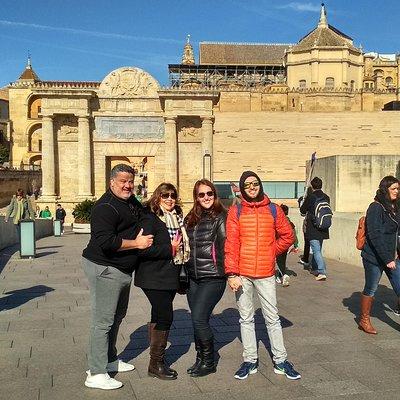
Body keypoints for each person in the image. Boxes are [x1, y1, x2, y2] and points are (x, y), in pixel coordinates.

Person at [81, 164, 154, 390]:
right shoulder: (105, 207)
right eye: (122, 181)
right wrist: (137, 243)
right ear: (112, 182)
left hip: (122, 270)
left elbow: (144, 215)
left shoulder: (129, 201)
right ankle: (96, 372)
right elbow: (106, 242)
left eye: (130, 181)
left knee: (117, 316)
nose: (127, 185)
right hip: (105, 268)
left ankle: (109, 359)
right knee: (102, 321)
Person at [225, 171, 301, 381]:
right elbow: (231, 244)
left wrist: (271, 251)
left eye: (255, 183)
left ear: (260, 185)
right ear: (242, 188)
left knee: (272, 318)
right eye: (247, 184)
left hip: (266, 273)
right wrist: (232, 273)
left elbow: (288, 236)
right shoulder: (236, 211)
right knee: (246, 318)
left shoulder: (273, 210)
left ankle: (280, 360)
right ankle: (250, 360)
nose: (251, 187)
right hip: (242, 273)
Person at [135, 183, 189, 380]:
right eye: (165, 195)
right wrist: (170, 249)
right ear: (157, 197)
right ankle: (156, 363)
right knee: (166, 316)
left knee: (158, 314)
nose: (169, 199)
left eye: (173, 195)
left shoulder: (177, 217)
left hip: (169, 276)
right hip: (153, 277)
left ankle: (155, 361)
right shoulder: (150, 219)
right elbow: (142, 249)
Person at [184, 179, 227, 377]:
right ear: (196, 197)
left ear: (214, 194)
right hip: (193, 276)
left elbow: (227, 247)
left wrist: (232, 273)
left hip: (213, 275)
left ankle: (209, 361)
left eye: (209, 193)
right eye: (201, 194)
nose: (206, 197)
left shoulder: (221, 216)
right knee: (196, 319)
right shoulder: (190, 217)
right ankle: (200, 358)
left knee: (199, 318)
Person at [358, 176, 400, 334]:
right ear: (385, 189)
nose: (397, 191)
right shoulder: (376, 207)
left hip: (392, 257)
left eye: (398, 188)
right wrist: (387, 258)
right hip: (374, 258)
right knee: (371, 288)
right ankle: (364, 320)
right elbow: (374, 234)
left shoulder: (394, 207)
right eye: (394, 189)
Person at [299, 177, 330, 281]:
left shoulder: (311, 197)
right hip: (324, 227)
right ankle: (314, 267)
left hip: (313, 227)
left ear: (312, 186)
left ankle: (321, 271)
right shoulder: (326, 197)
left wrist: (302, 202)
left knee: (316, 250)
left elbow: (303, 211)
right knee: (318, 249)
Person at [276, 204, 299, 287]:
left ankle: (283, 275)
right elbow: (293, 234)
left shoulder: (277, 220)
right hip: (286, 244)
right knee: (283, 260)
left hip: (278, 243)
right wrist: (295, 244)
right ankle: (280, 275)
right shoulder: (289, 221)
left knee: (278, 261)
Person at [298, 186, 313, 268]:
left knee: (307, 242)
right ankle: (314, 262)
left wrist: (302, 202)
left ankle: (306, 259)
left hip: (308, 223)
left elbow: (302, 212)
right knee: (317, 245)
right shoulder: (323, 198)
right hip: (318, 224)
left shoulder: (306, 199)